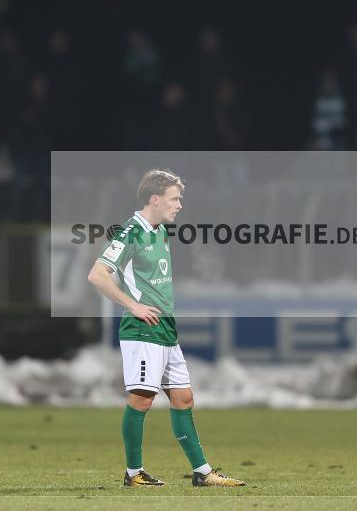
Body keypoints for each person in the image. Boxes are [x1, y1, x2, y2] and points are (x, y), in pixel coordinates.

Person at [86, 169, 245, 488]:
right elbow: (98, 274)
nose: (180, 205)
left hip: (165, 332)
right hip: (142, 331)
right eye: (175, 198)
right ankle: (133, 473)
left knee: (183, 398)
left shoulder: (158, 230)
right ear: (155, 200)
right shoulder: (131, 232)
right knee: (142, 400)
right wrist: (132, 305)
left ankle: (202, 472)